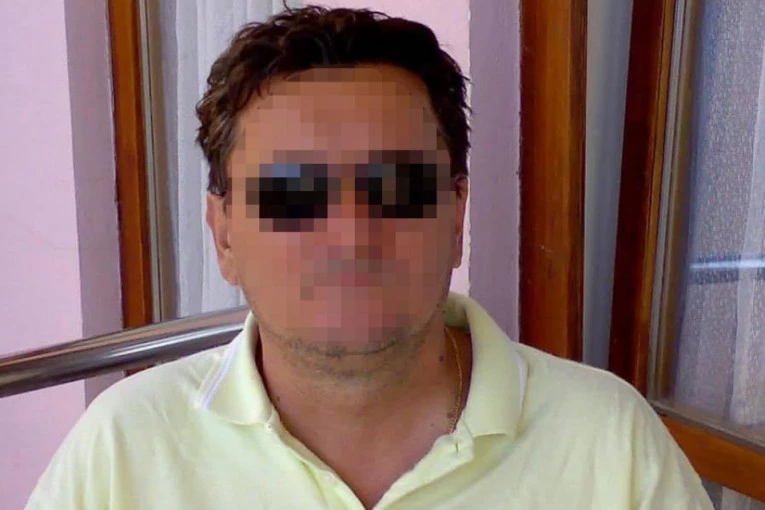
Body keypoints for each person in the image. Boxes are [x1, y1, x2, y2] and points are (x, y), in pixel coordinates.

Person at [27, 6, 714, 509]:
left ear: (455, 217)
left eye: (395, 188)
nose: (350, 233)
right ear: (225, 235)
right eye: (294, 194)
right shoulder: (125, 447)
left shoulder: (608, 443)